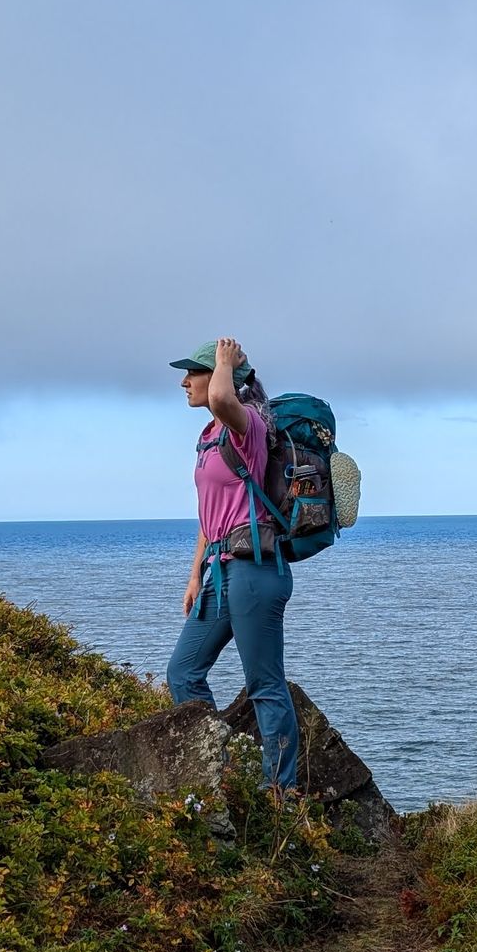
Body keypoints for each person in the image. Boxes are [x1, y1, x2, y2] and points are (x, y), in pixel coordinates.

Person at [166, 335, 300, 794]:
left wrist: (225, 363)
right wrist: (194, 574)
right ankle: (218, 774)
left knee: (264, 684)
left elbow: (224, 396)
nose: (185, 382)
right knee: (183, 672)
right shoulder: (208, 437)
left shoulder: (248, 428)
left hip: (255, 569)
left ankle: (279, 792)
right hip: (219, 574)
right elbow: (209, 513)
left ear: (222, 377)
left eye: (194, 373)